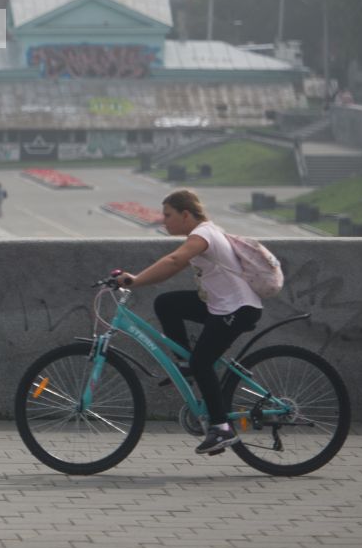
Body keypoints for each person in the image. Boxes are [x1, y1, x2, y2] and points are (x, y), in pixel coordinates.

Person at [109, 188, 262, 456]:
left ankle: (221, 427)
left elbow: (174, 260)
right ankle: (183, 364)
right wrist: (141, 281)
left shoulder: (203, 233)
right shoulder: (206, 232)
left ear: (186, 214)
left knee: (202, 362)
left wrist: (135, 280)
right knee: (166, 303)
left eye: (168, 215)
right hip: (222, 305)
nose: (163, 220)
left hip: (236, 308)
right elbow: (173, 267)